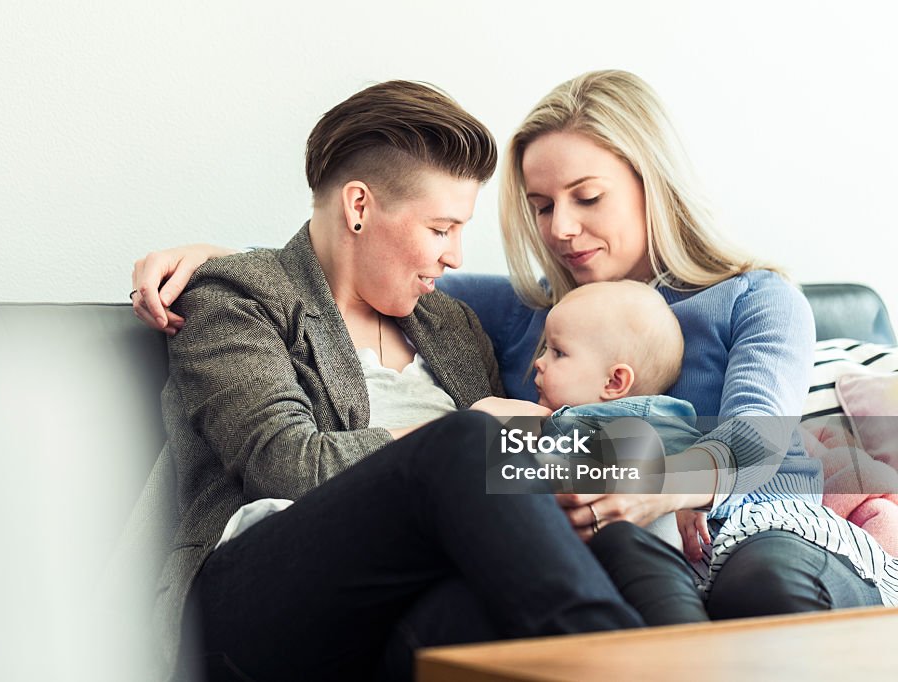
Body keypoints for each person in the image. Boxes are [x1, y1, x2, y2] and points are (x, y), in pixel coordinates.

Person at [136, 70, 894, 626]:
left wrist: (653, 482)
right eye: (540, 206)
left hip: (748, 527)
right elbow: (351, 271)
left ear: (650, 183)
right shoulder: (524, 309)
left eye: (586, 197)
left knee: (755, 584)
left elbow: (757, 440)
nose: (561, 228)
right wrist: (222, 262)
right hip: (574, 545)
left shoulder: (755, 297)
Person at [148, 79, 709, 682]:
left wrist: (632, 479)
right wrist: (459, 440)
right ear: (358, 207)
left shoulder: (450, 321)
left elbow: (779, 453)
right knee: (468, 442)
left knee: (589, 561)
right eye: (441, 229)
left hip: (407, 600)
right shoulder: (239, 296)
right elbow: (282, 463)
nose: (457, 256)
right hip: (253, 602)